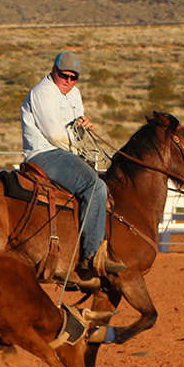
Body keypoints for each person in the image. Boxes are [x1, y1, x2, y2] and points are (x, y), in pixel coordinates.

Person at [20, 50, 126, 276]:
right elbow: (54, 135)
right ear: (53, 70)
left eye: (73, 77)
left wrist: (82, 125)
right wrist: (79, 151)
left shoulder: (74, 94)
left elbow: (73, 129)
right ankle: (91, 256)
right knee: (95, 186)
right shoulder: (43, 92)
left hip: (65, 151)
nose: (68, 81)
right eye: (63, 75)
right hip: (45, 153)